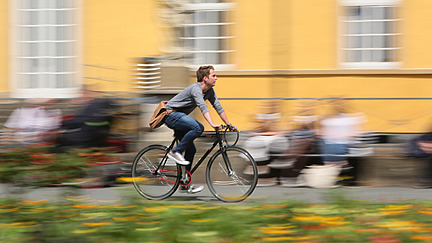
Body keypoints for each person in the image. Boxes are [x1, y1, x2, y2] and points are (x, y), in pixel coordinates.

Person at [164, 65, 236, 194]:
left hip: (180, 117)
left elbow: (218, 107)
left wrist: (228, 124)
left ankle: (184, 183)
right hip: (171, 115)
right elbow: (203, 107)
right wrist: (213, 124)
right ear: (205, 78)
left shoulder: (209, 91)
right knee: (198, 127)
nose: (216, 78)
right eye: (213, 75)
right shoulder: (196, 89)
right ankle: (176, 152)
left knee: (191, 150)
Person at [55, 85, 113, 151]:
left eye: (79, 94)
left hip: (86, 138)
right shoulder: (101, 105)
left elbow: (80, 121)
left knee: (59, 140)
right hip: (98, 138)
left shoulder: (93, 106)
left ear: (86, 94)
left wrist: (61, 123)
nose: (77, 98)